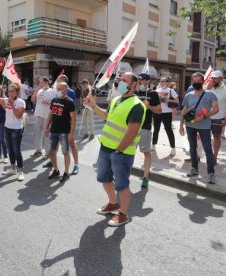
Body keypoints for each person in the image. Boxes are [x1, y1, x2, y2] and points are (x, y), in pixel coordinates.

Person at [84, 72, 146, 226]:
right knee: (104, 179)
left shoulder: (137, 106)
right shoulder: (116, 100)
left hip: (121, 152)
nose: (120, 82)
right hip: (105, 148)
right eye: (119, 79)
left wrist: (119, 150)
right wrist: (93, 105)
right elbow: (106, 116)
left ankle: (123, 214)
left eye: (125, 80)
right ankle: (113, 203)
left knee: (122, 185)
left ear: (134, 85)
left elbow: (132, 132)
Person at [179, 72, 218, 184]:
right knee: (192, 147)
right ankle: (194, 169)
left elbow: (216, 109)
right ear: (192, 82)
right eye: (194, 81)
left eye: (198, 81)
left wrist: (204, 116)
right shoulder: (188, 95)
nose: (196, 83)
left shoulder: (210, 94)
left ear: (202, 81)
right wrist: (181, 125)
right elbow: (184, 110)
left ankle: (211, 173)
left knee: (207, 148)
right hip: (190, 125)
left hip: (204, 126)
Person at [0, 80, 26, 181]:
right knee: (10, 149)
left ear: (17, 92)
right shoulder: (5, 100)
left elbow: (18, 116)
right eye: (9, 91)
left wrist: (12, 105)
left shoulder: (21, 102)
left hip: (17, 129)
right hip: (7, 128)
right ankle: (12, 168)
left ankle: (20, 171)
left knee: (17, 150)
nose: (10, 93)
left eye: (12, 91)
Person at [44, 82, 76, 183]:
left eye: (59, 89)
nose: (57, 91)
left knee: (66, 152)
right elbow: (51, 114)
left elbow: (74, 119)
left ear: (65, 90)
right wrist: (46, 126)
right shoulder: (54, 100)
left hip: (64, 132)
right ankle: (56, 170)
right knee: (51, 152)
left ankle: (66, 173)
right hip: (54, 130)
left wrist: (71, 134)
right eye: (57, 88)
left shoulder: (70, 102)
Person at [135, 73, 161, 188]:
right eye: (138, 80)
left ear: (148, 81)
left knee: (146, 152)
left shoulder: (153, 94)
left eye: (142, 80)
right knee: (126, 151)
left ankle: (145, 177)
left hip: (145, 127)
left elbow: (159, 111)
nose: (140, 82)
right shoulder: (133, 92)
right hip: (132, 127)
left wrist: (149, 106)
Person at [204, 70, 226, 165]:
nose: (213, 80)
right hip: (205, 117)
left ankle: (214, 157)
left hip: (218, 118)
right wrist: (206, 89)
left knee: (216, 138)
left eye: (215, 78)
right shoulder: (206, 88)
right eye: (212, 78)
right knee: (202, 138)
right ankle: (201, 155)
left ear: (221, 79)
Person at [56, 74, 79, 175]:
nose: (57, 82)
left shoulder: (70, 92)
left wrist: (71, 129)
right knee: (57, 142)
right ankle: (53, 161)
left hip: (68, 122)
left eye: (58, 80)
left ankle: (76, 165)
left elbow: (71, 109)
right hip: (59, 122)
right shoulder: (57, 91)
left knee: (71, 143)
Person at [152, 77, 179, 156]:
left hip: (167, 113)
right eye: (161, 81)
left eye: (164, 81)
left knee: (168, 130)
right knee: (156, 129)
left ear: (167, 82)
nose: (162, 83)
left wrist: (169, 100)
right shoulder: (156, 91)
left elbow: (177, 101)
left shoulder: (171, 91)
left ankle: (173, 148)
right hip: (157, 112)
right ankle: (153, 144)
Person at [31, 76, 55, 159]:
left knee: (46, 135)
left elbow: (55, 102)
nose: (39, 83)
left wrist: (48, 101)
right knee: (36, 134)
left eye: (41, 82)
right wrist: (37, 89)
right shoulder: (39, 90)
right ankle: (38, 150)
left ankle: (48, 152)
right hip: (38, 114)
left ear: (46, 82)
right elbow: (33, 100)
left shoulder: (52, 91)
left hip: (47, 116)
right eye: (39, 82)